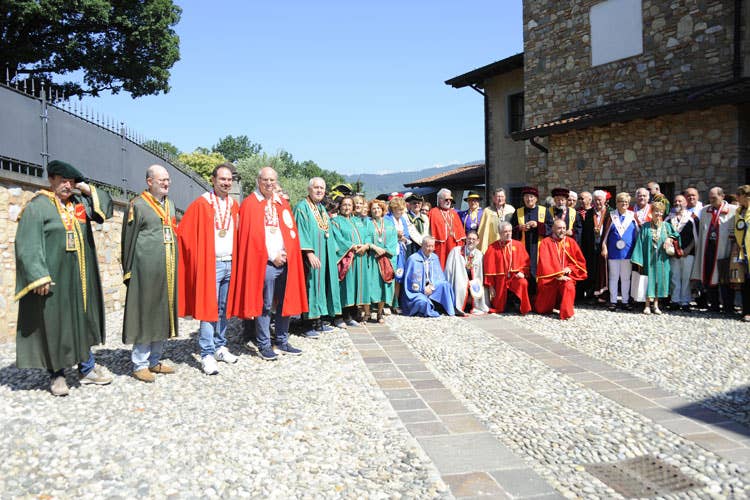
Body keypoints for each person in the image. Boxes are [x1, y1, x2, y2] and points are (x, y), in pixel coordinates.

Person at [14, 160, 113, 396]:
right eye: (63, 181)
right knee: (55, 324)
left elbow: (104, 210)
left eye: (71, 181)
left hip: (80, 277)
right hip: (54, 277)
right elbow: (27, 243)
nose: (68, 185)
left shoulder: (78, 204)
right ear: (51, 180)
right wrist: (38, 276)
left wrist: (86, 188)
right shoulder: (39, 206)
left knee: (82, 320)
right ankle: (57, 374)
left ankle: (86, 368)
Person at [228, 167, 307, 361]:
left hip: (285, 260)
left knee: (284, 302)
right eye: (265, 180)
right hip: (266, 263)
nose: (269, 183)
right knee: (264, 303)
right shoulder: (250, 204)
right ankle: (264, 344)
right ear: (258, 181)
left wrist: (287, 253)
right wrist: (273, 256)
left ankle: (282, 340)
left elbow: (290, 231)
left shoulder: (281, 203)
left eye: (272, 180)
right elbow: (253, 237)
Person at [178, 163, 240, 375]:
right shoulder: (201, 204)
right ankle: (206, 353)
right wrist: (196, 259)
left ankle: (220, 346)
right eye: (222, 179)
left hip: (230, 261)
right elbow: (184, 233)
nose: (226, 183)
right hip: (211, 263)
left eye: (229, 179)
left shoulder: (233, 205)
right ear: (213, 180)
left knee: (224, 307)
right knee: (208, 308)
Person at [121, 164, 178, 382]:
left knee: (162, 313)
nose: (166, 183)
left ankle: (155, 360)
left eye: (168, 179)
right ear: (149, 182)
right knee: (145, 315)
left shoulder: (170, 204)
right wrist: (129, 270)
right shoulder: (137, 205)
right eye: (162, 179)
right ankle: (140, 363)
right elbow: (128, 239)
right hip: (145, 271)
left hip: (168, 271)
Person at [293, 177, 342, 336]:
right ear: (309, 189)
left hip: (324, 254)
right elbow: (301, 231)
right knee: (312, 287)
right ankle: (307, 324)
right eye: (316, 187)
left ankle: (319, 321)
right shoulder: (302, 207)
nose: (319, 190)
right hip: (311, 256)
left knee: (322, 286)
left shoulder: (320, 208)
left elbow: (327, 231)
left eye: (322, 188)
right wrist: (309, 253)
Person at [691, 186, 738, 313]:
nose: (711, 200)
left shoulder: (733, 210)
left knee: (724, 278)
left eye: (714, 197)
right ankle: (714, 306)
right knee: (708, 276)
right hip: (709, 248)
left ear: (722, 196)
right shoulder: (706, 210)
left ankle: (728, 307)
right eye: (710, 198)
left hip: (725, 249)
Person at [631, 201, 680, 314]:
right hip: (648, 259)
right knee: (648, 280)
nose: (658, 213)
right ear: (651, 212)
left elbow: (676, 235)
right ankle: (647, 305)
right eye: (656, 211)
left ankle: (656, 305)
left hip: (662, 259)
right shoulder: (645, 226)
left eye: (660, 211)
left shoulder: (667, 226)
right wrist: (639, 259)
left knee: (659, 281)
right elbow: (639, 242)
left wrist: (670, 239)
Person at [535, 219, 588, 320]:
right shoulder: (545, 242)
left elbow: (579, 262)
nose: (562, 230)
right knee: (542, 309)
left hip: (567, 277)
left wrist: (570, 268)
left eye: (564, 228)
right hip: (550, 278)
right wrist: (558, 275)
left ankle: (566, 313)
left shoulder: (571, 242)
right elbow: (545, 263)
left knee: (569, 286)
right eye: (559, 228)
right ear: (553, 229)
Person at [330, 196, 370, 326]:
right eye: (344, 205)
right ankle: (340, 317)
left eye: (349, 205)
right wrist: (352, 246)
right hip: (347, 258)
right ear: (340, 207)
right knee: (346, 286)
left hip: (360, 258)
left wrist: (366, 245)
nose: (347, 207)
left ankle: (351, 315)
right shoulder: (336, 221)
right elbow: (338, 239)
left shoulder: (358, 221)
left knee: (355, 287)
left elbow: (367, 235)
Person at [483, 221, 531, 314]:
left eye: (510, 231)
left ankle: (520, 306)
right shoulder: (492, 247)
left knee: (523, 283)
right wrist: (491, 286)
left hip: (515, 277)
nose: (508, 233)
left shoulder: (519, 245)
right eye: (505, 231)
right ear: (500, 233)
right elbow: (489, 269)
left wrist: (522, 272)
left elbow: (526, 263)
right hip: (499, 280)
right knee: (498, 306)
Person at [601, 192, 639, 311]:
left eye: (626, 202)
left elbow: (638, 234)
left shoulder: (633, 216)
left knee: (626, 278)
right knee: (613, 277)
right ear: (617, 203)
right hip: (613, 252)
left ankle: (625, 301)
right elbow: (605, 234)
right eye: (621, 201)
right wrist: (604, 246)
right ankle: (613, 301)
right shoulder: (610, 216)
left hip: (628, 252)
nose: (624, 204)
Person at [401, 236, 456, 317]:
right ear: (422, 245)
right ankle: (429, 307)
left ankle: (450, 311)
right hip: (417, 291)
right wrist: (423, 289)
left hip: (431, 287)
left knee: (446, 285)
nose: (430, 249)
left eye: (432, 246)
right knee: (422, 303)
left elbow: (440, 277)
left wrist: (431, 287)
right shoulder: (413, 259)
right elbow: (410, 282)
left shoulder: (434, 257)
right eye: (428, 246)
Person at [510, 186, 550, 296]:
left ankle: (538, 298)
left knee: (538, 271)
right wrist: (519, 228)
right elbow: (511, 230)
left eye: (531, 197)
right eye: (526, 197)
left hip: (539, 248)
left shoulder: (544, 211)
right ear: (523, 199)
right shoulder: (518, 212)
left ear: (536, 199)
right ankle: (524, 297)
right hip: (523, 248)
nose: (529, 199)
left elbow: (551, 229)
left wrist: (538, 225)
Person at [363, 199, 398, 323]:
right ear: (370, 211)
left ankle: (379, 313)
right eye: (373, 208)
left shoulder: (389, 224)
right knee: (369, 285)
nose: (376, 210)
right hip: (371, 259)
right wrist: (374, 247)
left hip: (385, 259)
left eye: (378, 208)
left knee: (384, 286)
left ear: (383, 210)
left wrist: (384, 250)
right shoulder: (367, 223)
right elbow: (364, 238)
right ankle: (367, 313)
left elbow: (393, 241)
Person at [665, 194, 698, 311]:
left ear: (685, 203)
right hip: (673, 254)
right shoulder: (668, 218)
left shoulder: (692, 218)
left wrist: (689, 249)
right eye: (675, 201)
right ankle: (675, 300)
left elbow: (696, 236)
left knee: (686, 278)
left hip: (688, 253)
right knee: (674, 277)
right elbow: (665, 235)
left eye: (680, 201)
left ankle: (685, 301)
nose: (677, 203)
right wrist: (670, 249)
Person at [445, 231, 490, 315]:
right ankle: (458, 306)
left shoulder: (480, 255)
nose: (471, 241)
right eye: (469, 238)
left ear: (478, 241)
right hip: (459, 281)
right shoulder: (456, 251)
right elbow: (448, 271)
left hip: (473, 281)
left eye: (474, 239)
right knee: (460, 287)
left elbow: (481, 274)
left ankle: (474, 306)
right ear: (466, 239)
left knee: (478, 288)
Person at [580, 190, 609, 303]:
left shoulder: (609, 213)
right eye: (596, 200)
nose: (598, 202)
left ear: (604, 200)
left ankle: (604, 295)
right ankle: (592, 295)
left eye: (600, 200)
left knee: (605, 271)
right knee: (592, 271)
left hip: (605, 246)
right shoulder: (588, 213)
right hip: (591, 246)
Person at [385, 196, 412, 311]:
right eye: (398, 209)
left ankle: (395, 302)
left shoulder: (403, 220)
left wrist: (404, 237)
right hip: (390, 252)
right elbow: (384, 234)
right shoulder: (387, 219)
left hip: (401, 251)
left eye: (402, 209)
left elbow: (407, 234)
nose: (401, 212)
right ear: (393, 209)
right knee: (389, 276)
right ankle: (386, 303)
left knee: (398, 276)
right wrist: (396, 235)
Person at [428, 188, 465, 268]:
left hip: (454, 245)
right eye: (446, 199)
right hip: (440, 247)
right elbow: (430, 231)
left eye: (450, 199)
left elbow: (460, 233)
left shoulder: (454, 213)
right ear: (440, 200)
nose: (448, 201)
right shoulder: (433, 212)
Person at [477, 187, 515, 252]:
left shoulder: (511, 209)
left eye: (502, 196)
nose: (500, 199)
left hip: (508, 243)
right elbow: (483, 231)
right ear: (493, 198)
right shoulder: (487, 211)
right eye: (498, 196)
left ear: (505, 197)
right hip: (493, 244)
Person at [734, 185, 750, 322]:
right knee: (745, 282)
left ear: (745, 196)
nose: (737, 199)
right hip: (743, 251)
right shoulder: (739, 211)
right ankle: (746, 311)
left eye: (738, 196)